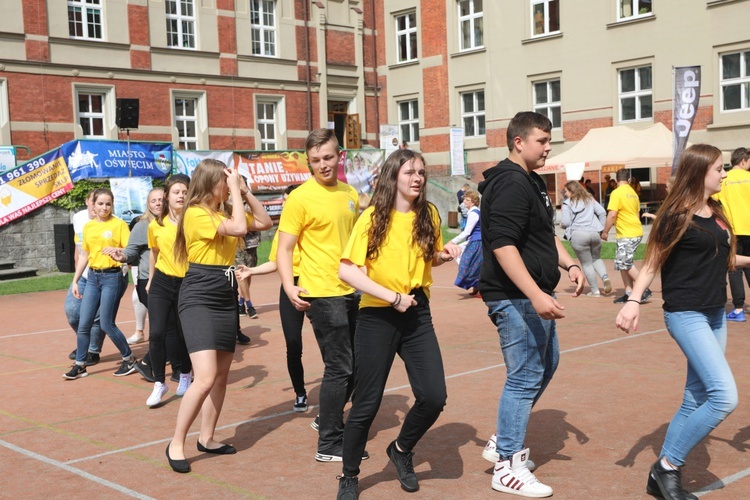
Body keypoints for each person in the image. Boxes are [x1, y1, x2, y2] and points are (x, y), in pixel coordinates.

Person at [615, 144, 749, 500]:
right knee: (724, 397)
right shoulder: (676, 214)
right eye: (719, 169)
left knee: (695, 398)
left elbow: (727, 257)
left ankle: (660, 479)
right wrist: (632, 301)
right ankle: (668, 465)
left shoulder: (716, 211)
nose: (724, 174)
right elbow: (652, 262)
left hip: (714, 313)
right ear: (699, 171)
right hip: (686, 314)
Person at [335, 149, 461, 499]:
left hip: (417, 311)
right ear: (393, 177)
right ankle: (349, 476)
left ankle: (401, 450)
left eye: (421, 172)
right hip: (378, 314)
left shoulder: (428, 215)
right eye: (409, 172)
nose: (417, 178)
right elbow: (346, 270)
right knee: (367, 402)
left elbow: (426, 257)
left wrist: (441, 255)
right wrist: (392, 297)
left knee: (434, 397)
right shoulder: (373, 217)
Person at [478, 112, 583, 498]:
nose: (548, 147)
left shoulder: (531, 181)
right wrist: (536, 295)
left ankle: (501, 440)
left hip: (533, 294)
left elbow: (544, 235)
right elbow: (503, 246)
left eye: (548, 140)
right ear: (519, 142)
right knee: (524, 376)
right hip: (514, 297)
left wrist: (570, 262)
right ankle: (506, 464)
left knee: (545, 367)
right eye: (542, 140)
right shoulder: (508, 184)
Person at [166, 159, 271, 473]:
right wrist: (236, 196)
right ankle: (175, 443)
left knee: (221, 377)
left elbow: (264, 222)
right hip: (199, 296)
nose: (228, 186)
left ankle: (207, 438)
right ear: (212, 183)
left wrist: (245, 191)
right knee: (206, 377)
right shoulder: (197, 213)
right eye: (225, 181)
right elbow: (240, 227)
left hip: (225, 295)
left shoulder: (223, 212)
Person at [276, 128, 360, 462]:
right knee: (339, 366)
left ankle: (326, 417)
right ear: (308, 162)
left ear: (339, 156)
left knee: (360, 367)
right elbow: (284, 248)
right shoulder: (300, 198)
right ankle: (329, 444)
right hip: (321, 293)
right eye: (315, 160)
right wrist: (288, 285)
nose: (322, 165)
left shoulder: (350, 193)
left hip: (353, 290)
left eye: (327, 157)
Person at [236, 184, 310, 413]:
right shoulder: (282, 231)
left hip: (317, 286)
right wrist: (251, 271)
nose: (286, 203)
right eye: (285, 199)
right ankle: (300, 392)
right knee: (293, 343)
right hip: (290, 287)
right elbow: (277, 262)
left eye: (291, 199)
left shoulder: (314, 227)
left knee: (331, 346)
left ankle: (340, 388)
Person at [64, 188, 137, 380]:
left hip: (112, 277)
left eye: (108, 204)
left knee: (106, 323)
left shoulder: (119, 225)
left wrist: (118, 250)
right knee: (84, 323)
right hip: (93, 278)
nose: (104, 207)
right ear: (93, 205)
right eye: (100, 203)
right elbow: (84, 255)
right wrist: (75, 280)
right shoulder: (88, 227)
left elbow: (130, 251)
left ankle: (129, 359)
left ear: (112, 205)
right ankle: (80, 365)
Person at [116, 188, 163, 346]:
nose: (158, 203)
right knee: (159, 322)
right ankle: (154, 358)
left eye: (161, 199)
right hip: (149, 280)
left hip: (174, 277)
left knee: (170, 321)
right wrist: (122, 256)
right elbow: (131, 250)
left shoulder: (177, 221)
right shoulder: (143, 225)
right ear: (148, 204)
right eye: (154, 200)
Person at [65, 189, 105, 365]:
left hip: (103, 276)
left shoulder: (110, 222)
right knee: (73, 312)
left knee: (97, 317)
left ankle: (93, 351)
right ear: (88, 201)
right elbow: (78, 247)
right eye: (94, 201)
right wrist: (76, 274)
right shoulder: (79, 218)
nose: (98, 206)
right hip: (83, 274)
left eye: (103, 202)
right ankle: (85, 344)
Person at [601, 169, 652, 304]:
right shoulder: (633, 193)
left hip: (627, 233)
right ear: (628, 180)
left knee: (625, 263)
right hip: (634, 230)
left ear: (616, 180)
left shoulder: (616, 193)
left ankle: (644, 289)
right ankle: (628, 292)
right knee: (623, 263)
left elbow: (612, 214)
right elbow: (636, 214)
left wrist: (605, 231)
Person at [716, 147, 750, 322]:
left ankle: (738, 309)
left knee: (734, 267)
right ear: (743, 161)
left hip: (734, 230)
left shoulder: (725, 179)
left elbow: (712, 199)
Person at [560, 181, 612, 296]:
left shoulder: (567, 204)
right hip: (594, 233)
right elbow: (602, 212)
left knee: (587, 264)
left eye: (566, 191)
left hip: (578, 235)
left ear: (572, 191)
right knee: (597, 258)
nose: (565, 194)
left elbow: (565, 222)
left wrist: (562, 225)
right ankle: (605, 278)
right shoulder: (590, 199)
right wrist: (602, 229)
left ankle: (595, 291)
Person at [450, 189, 482, 295]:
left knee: (468, 263)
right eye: (465, 199)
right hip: (475, 240)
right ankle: (476, 286)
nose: (464, 202)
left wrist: (452, 242)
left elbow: (467, 231)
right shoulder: (473, 212)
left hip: (477, 242)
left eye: (467, 200)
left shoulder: (474, 213)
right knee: (471, 263)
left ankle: (479, 287)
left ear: (473, 202)